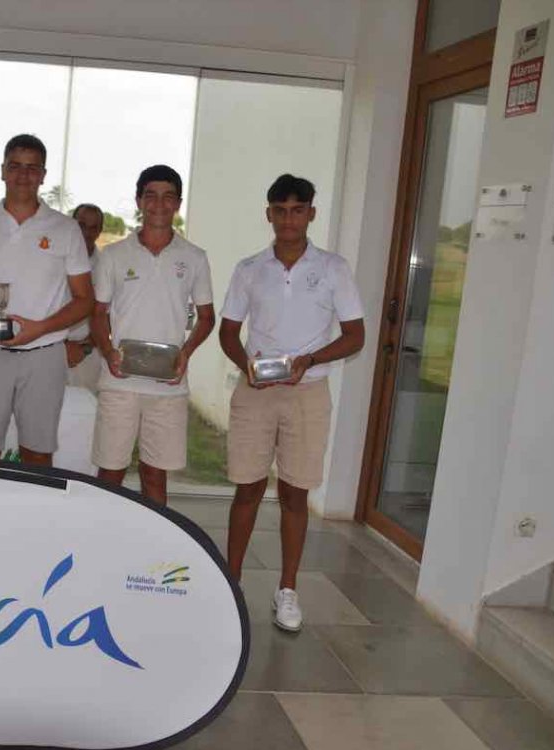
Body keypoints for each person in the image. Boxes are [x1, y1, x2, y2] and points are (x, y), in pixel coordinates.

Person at [219, 173, 365, 632]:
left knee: (295, 493)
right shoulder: (248, 268)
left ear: (311, 214)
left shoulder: (334, 269)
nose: (288, 219)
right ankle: (232, 582)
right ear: (269, 214)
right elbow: (228, 331)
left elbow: (356, 335)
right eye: (280, 210)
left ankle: (287, 590)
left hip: (307, 390)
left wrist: (310, 360)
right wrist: (246, 366)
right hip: (256, 390)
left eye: (297, 210)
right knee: (247, 487)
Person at [0, 134, 94, 467]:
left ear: (43, 175)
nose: (23, 175)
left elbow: (85, 300)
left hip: (45, 356)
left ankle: (34, 520)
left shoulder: (65, 229)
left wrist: (40, 328)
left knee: (38, 454)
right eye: (15, 166)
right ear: (2, 171)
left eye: (32, 168)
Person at [91, 166, 215, 505]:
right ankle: (101, 541)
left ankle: (154, 555)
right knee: (110, 473)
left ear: (178, 203)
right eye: (151, 196)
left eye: (168, 196)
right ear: (138, 201)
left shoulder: (194, 258)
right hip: (120, 381)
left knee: (155, 476)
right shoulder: (114, 256)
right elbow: (97, 314)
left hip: (168, 385)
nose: (159, 204)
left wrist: (185, 354)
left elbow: (206, 317)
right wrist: (107, 351)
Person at [66, 203, 105, 391]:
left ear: (100, 231)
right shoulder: (53, 260)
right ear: (71, 225)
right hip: (51, 352)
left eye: (93, 228)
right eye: (81, 225)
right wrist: (62, 347)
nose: (86, 233)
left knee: (84, 415)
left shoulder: (107, 266)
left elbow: (111, 316)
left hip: (88, 355)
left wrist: (84, 348)